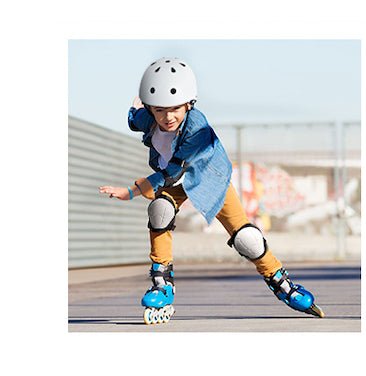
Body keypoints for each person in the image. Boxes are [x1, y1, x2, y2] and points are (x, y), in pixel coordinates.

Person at [99, 57, 323, 321]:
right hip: (173, 183)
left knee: (246, 239)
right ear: (150, 108)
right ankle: (162, 284)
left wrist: (131, 190)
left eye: (175, 109)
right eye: (159, 110)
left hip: (207, 179)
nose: (167, 118)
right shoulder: (149, 118)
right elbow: (134, 120)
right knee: (159, 211)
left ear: (189, 104)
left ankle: (281, 282)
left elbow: (173, 171)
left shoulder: (198, 127)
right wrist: (133, 110)